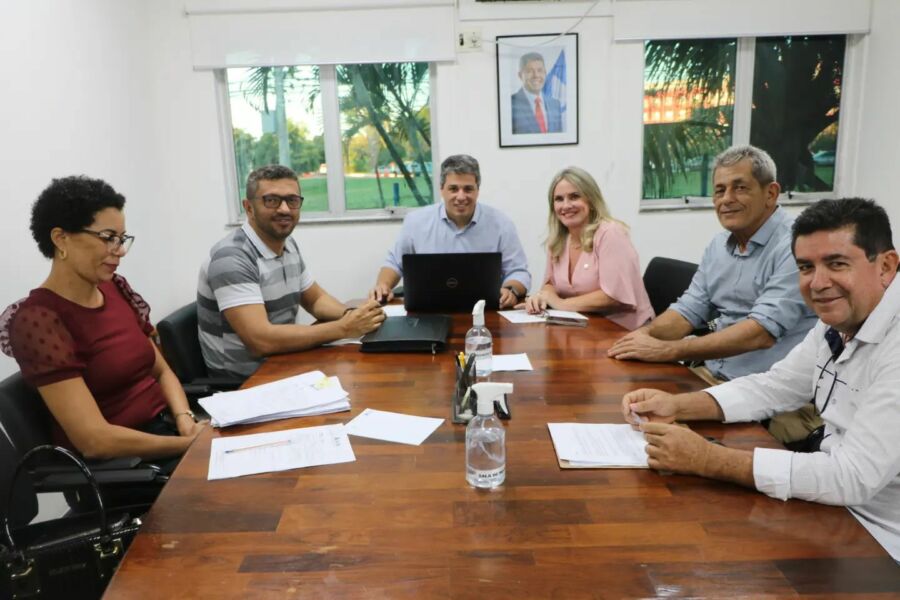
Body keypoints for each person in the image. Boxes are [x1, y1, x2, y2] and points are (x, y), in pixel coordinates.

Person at [621, 197, 900, 561]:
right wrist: (676, 404)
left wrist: (709, 459)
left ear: (886, 266)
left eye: (836, 263)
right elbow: (775, 385)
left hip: (879, 542)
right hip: (831, 510)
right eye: (805, 267)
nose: (818, 283)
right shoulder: (838, 320)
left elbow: (852, 476)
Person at [0, 176, 205, 463]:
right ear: (61, 239)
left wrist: (185, 422)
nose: (119, 250)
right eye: (108, 238)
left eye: (121, 239)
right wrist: (186, 446)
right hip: (128, 464)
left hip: (169, 433)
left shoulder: (114, 287)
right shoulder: (39, 321)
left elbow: (161, 371)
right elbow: (95, 441)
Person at [608, 145, 816, 380]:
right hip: (712, 375)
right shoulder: (718, 246)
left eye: (740, 188)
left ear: (770, 193)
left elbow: (761, 333)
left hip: (768, 390)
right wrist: (642, 337)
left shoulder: (797, 246)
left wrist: (669, 350)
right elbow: (687, 311)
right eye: (719, 190)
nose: (727, 199)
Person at [198, 165, 385, 379]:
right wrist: (344, 328)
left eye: (292, 200)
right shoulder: (232, 257)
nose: (285, 209)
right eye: (272, 200)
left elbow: (316, 299)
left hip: (283, 362)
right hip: (245, 381)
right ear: (249, 208)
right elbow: (260, 340)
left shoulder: (287, 244)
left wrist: (353, 315)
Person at [369, 154, 532, 309]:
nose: (461, 197)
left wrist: (511, 290)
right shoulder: (415, 222)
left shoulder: (501, 224)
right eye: (453, 189)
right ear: (442, 189)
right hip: (426, 312)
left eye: (468, 189)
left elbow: (519, 271)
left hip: (485, 313)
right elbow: (394, 263)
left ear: (477, 190)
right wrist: (383, 285)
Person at [522, 167, 653, 330]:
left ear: (591, 200)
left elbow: (614, 296)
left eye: (574, 196)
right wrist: (542, 297)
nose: (566, 205)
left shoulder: (610, 234)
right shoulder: (557, 240)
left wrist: (561, 304)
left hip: (623, 331)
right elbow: (550, 284)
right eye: (559, 199)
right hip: (583, 330)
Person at [511, 52, 563, 134]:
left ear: (545, 73)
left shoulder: (555, 104)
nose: (536, 75)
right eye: (529, 71)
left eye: (540, 70)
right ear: (520, 75)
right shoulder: (510, 105)